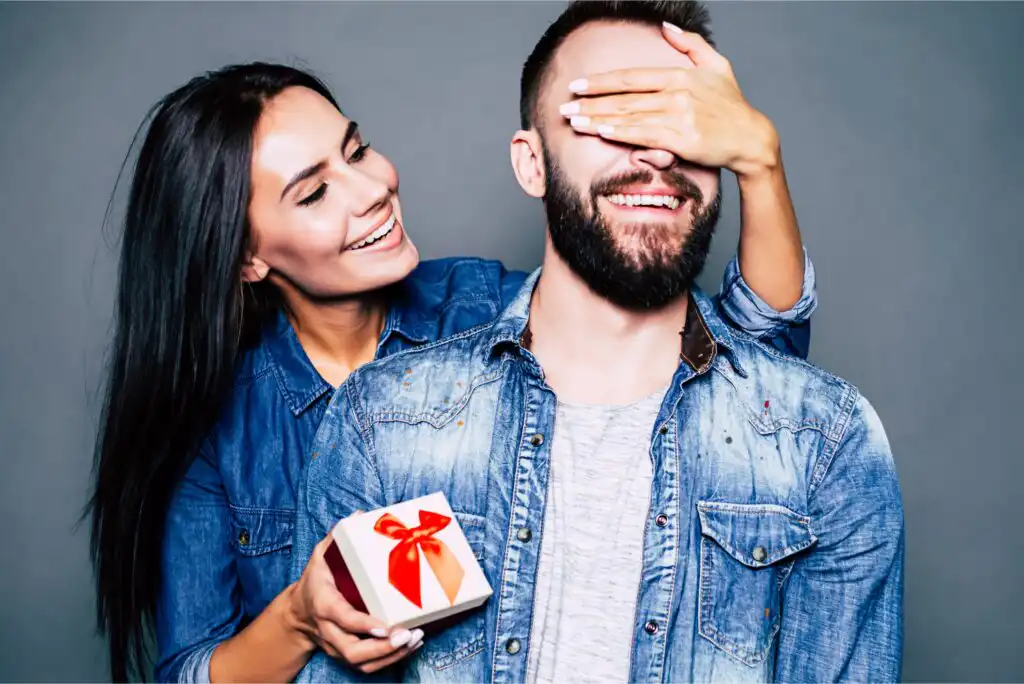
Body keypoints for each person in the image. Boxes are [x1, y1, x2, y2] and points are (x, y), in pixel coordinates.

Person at [85, 53, 816, 682]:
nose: (372, 188)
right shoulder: (221, 425)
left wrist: (761, 161)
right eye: (315, 192)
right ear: (248, 257)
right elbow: (190, 669)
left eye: (358, 149)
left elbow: (754, 367)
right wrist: (302, 617)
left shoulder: (490, 310)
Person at [290, 1, 904, 683]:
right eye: (610, 119)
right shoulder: (384, 424)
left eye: (686, 123)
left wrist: (763, 158)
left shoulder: (827, 442)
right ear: (533, 164)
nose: (658, 153)